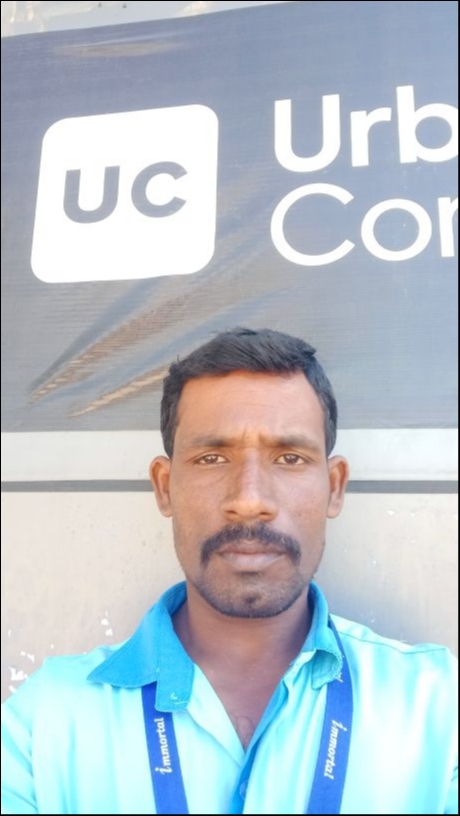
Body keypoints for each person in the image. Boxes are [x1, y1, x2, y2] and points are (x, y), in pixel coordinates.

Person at [1, 327, 457, 815]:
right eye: (212, 458)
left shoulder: (441, 710)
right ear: (165, 487)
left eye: (289, 458)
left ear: (335, 487)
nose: (249, 499)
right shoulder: (41, 727)